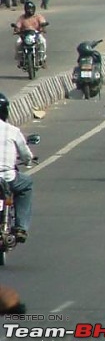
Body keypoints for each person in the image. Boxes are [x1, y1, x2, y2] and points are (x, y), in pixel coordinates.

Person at [0, 93, 34, 243]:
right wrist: (28, 161)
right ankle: (20, 227)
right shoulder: (12, 131)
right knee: (26, 184)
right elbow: (26, 154)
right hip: (8, 177)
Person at [13, 2, 47, 66]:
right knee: (17, 43)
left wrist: (43, 27)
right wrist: (16, 29)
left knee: (43, 41)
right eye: (28, 9)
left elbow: (43, 22)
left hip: (36, 33)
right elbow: (18, 26)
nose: (30, 11)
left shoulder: (38, 16)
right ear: (25, 10)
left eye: (31, 9)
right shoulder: (22, 18)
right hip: (24, 34)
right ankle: (20, 60)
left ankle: (43, 58)